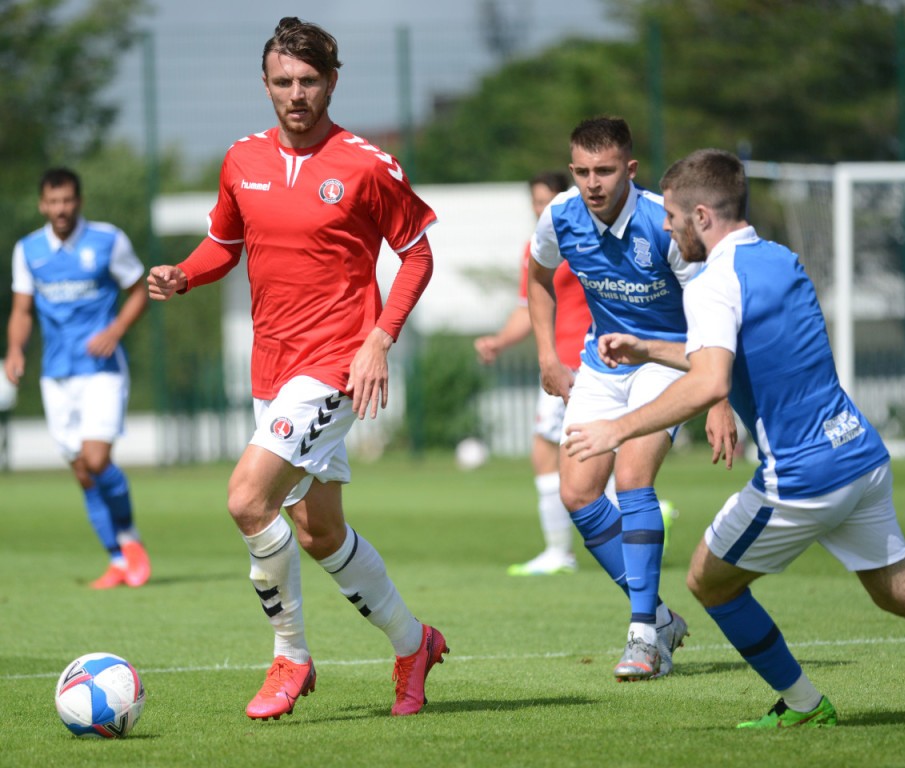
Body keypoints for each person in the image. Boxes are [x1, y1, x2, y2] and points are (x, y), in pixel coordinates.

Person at [564, 147, 905, 727]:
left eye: (672, 217)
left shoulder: (711, 284)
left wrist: (616, 428)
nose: (668, 230)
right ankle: (804, 705)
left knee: (709, 582)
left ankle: (804, 705)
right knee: (901, 590)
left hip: (803, 478)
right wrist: (648, 348)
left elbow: (710, 381)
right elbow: (734, 351)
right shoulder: (778, 258)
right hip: (858, 452)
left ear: (702, 216)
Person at [147, 17, 447, 720]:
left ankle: (291, 657)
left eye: (309, 80)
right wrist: (184, 274)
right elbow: (223, 245)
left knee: (246, 500)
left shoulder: (368, 165)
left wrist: (379, 339)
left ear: (332, 82)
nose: (297, 94)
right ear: (265, 85)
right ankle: (415, 644)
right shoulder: (240, 160)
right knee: (318, 534)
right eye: (283, 81)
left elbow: (418, 255)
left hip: (336, 365)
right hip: (272, 370)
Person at [527, 117, 737, 681]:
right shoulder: (559, 216)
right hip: (603, 363)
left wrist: (718, 397)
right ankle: (662, 616)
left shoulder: (663, 223)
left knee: (632, 479)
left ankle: (644, 636)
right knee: (576, 493)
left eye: (605, 170)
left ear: (631, 169)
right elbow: (538, 277)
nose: (592, 183)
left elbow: (709, 313)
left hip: (670, 361)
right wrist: (548, 355)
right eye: (582, 171)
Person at [4, 168, 151, 590]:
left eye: (67, 200)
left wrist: (115, 330)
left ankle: (131, 541)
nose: (61, 209)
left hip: (101, 370)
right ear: (42, 205)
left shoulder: (108, 240)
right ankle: (117, 559)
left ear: (79, 201)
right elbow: (22, 310)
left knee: (97, 459)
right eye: (53, 202)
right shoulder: (28, 250)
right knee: (82, 472)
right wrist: (15, 349)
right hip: (56, 374)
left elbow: (139, 291)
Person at [475, 170, 589, 576]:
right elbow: (528, 307)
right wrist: (500, 341)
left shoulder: (578, 239)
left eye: (547, 201)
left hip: (573, 361)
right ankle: (641, 513)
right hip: (569, 358)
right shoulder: (541, 244)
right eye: (536, 203)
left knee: (547, 451)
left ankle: (560, 552)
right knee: (589, 448)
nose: (541, 209)